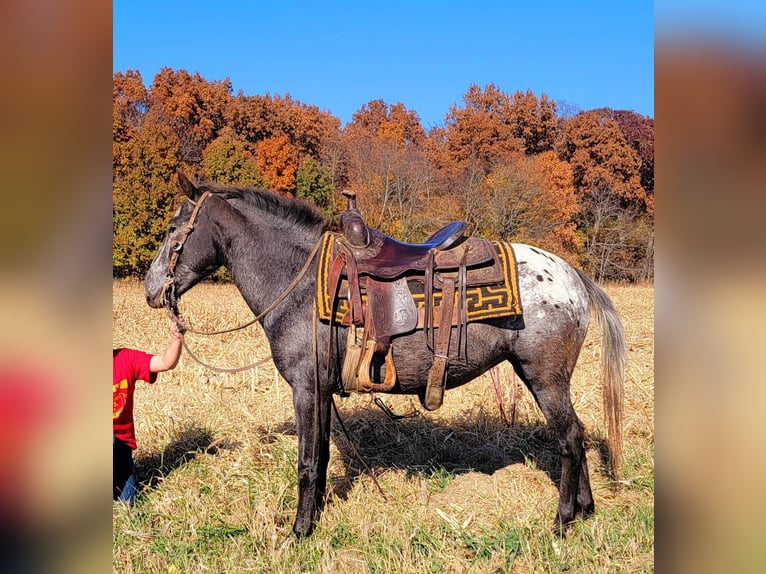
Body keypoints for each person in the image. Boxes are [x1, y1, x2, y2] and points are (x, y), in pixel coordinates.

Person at [113, 318, 185, 504]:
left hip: (122, 448)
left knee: (127, 505)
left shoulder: (125, 358)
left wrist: (176, 339)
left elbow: (165, 363)